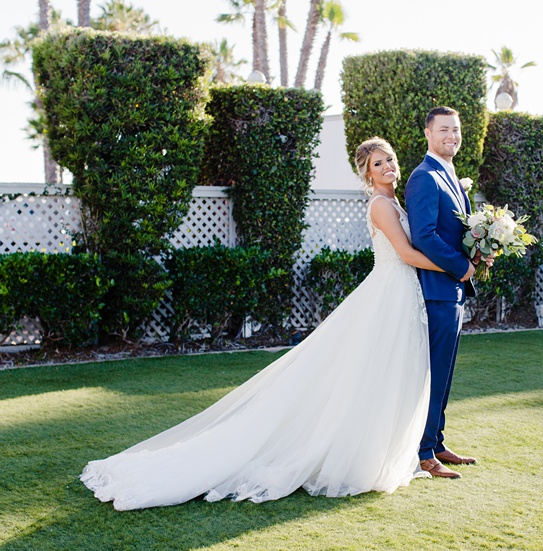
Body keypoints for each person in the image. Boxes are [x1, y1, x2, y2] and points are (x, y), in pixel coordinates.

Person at [80, 137, 456, 510]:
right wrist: (457, 265)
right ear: (367, 173)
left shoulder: (395, 201)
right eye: (378, 164)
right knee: (367, 373)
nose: (387, 166)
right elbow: (406, 253)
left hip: (402, 295)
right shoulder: (381, 205)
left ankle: (380, 450)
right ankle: (356, 456)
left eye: (389, 159)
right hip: (388, 293)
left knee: (385, 373)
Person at [405, 106, 478, 480]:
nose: (453, 136)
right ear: (428, 134)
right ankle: (421, 453)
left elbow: (456, 232)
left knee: (445, 373)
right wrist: (462, 266)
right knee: (432, 373)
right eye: (445, 129)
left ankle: (436, 442)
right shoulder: (423, 177)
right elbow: (424, 236)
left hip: (453, 290)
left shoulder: (448, 174)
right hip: (436, 291)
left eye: (457, 130)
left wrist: (481, 251)